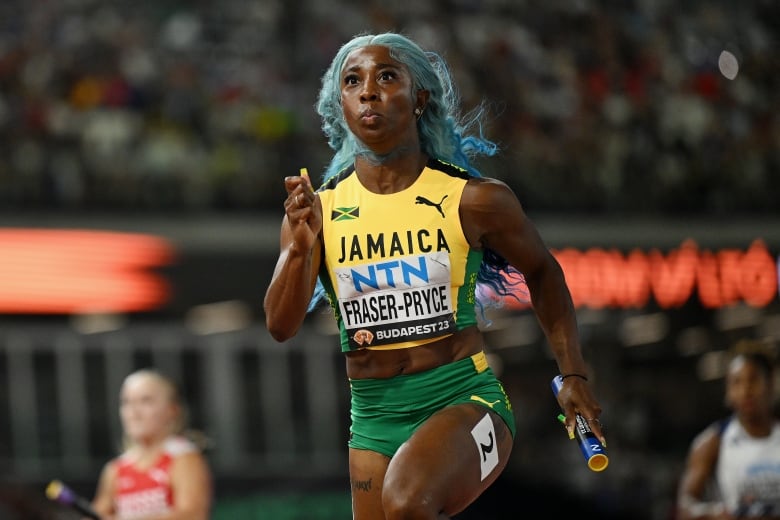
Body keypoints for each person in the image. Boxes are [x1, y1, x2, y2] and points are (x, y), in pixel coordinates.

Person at [263, 31, 605, 519]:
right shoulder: (317, 211)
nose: (368, 91)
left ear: (420, 98)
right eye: (352, 81)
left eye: (386, 76)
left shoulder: (474, 199)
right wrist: (300, 248)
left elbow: (544, 273)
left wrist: (572, 372)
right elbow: (280, 325)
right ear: (338, 104)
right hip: (372, 418)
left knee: (407, 501)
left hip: (462, 399)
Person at [90, 369, 213, 520]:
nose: (134, 412)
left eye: (146, 401)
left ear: (172, 410)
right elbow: (96, 514)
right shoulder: (116, 469)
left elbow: (193, 516)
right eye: (126, 402)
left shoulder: (184, 458)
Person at [676, 343, 780, 520]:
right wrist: (713, 512)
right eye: (736, 382)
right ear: (728, 392)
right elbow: (685, 505)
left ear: (770, 384)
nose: (746, 391)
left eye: (753, 380)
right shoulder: (712, 442)